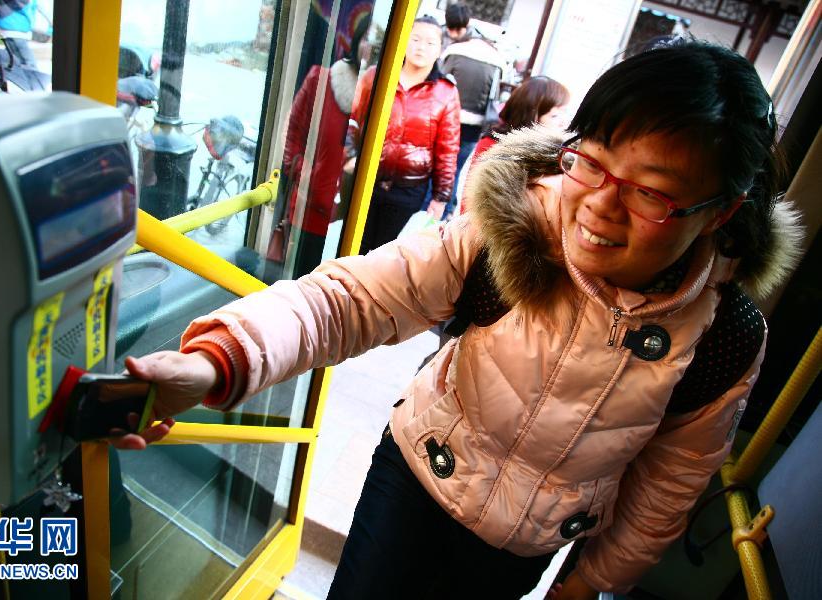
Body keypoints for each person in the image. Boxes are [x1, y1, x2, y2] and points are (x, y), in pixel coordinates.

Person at [114, 39, 802, 599]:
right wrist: (214, 362)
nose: (597, 205)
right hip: (414, 478)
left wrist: (588, 583)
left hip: (524, 546)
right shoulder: (513, 230)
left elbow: (667, 488)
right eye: (590, 162)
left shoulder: (722, 336)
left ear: (722, 212)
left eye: (649, 192)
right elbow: (352, 299)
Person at [343, 16, 460, 254]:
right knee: (351, 246)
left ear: (440, 50)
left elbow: (448, 149)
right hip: (365, 178)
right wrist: (348, 156)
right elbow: (351, 120)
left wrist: (440, 197)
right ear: (403, 41)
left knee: (383, 253)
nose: (421, 47)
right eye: (415, 39)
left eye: (430, 43)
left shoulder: (445, 92)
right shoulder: (376, 76)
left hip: (408, 190)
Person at [282, 9, 372, 278]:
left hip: (352, 216)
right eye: (366, 38)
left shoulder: (384, 96)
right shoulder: (321, 79)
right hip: (311, 205)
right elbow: (294, 132)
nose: (369, 47)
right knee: (298, 280)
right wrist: (302, 174)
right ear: (356, 40)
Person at [455, 75, 570, 215]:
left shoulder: (560, 153)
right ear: (531, 116)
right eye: (554, 116)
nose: (563, 121)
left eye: (564, 113)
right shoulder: (494, 145)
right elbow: (472, 201)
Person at [439, 21, 504, 220]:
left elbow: (439, 81)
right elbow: (495, 95)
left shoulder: (454, 50)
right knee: (457, 166)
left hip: (446, 115)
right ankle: (447, 209)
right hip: (474, 123)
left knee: (440, 161)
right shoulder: (497, 60)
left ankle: (434, 205)